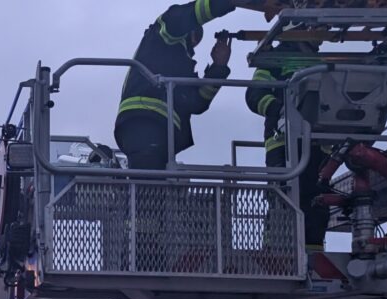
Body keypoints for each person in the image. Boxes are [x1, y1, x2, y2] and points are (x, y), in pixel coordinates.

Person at [115, 0, 238, 170]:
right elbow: (177, 18)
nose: (194, 46)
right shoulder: (161, 35)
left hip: (158, 129)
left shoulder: (179, 63)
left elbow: (197, 103)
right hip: (145, 122)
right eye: (195, 39)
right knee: (147, 189)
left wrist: (218, 67)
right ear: (189, 31)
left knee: (152, 189)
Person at [245, 39, 329, 256]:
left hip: (317, 142)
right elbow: (254, 96)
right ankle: (275, 253)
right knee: (282, 199)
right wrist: (283, 111)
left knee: (316, 202)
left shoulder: (320, 60)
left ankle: (313, 257)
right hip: (282, 141)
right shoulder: (276, 57)